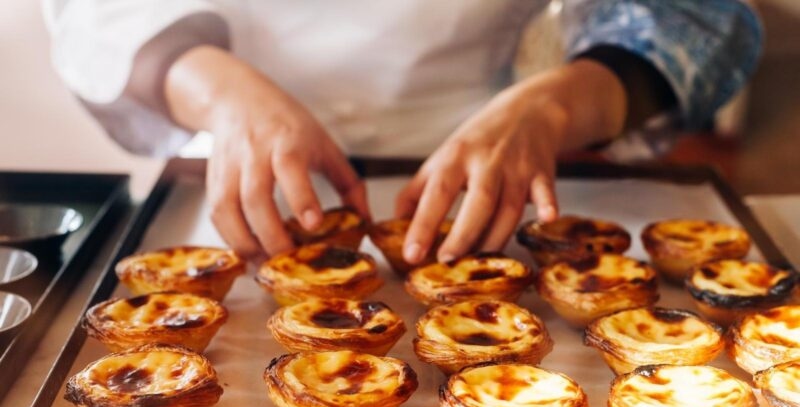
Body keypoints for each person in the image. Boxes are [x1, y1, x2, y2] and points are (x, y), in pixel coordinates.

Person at [44, 1, 761, 264]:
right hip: (222, 177)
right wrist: (220, 91)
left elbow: (699, 16)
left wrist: (554, 104)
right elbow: (94, 14)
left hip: (475, 175)